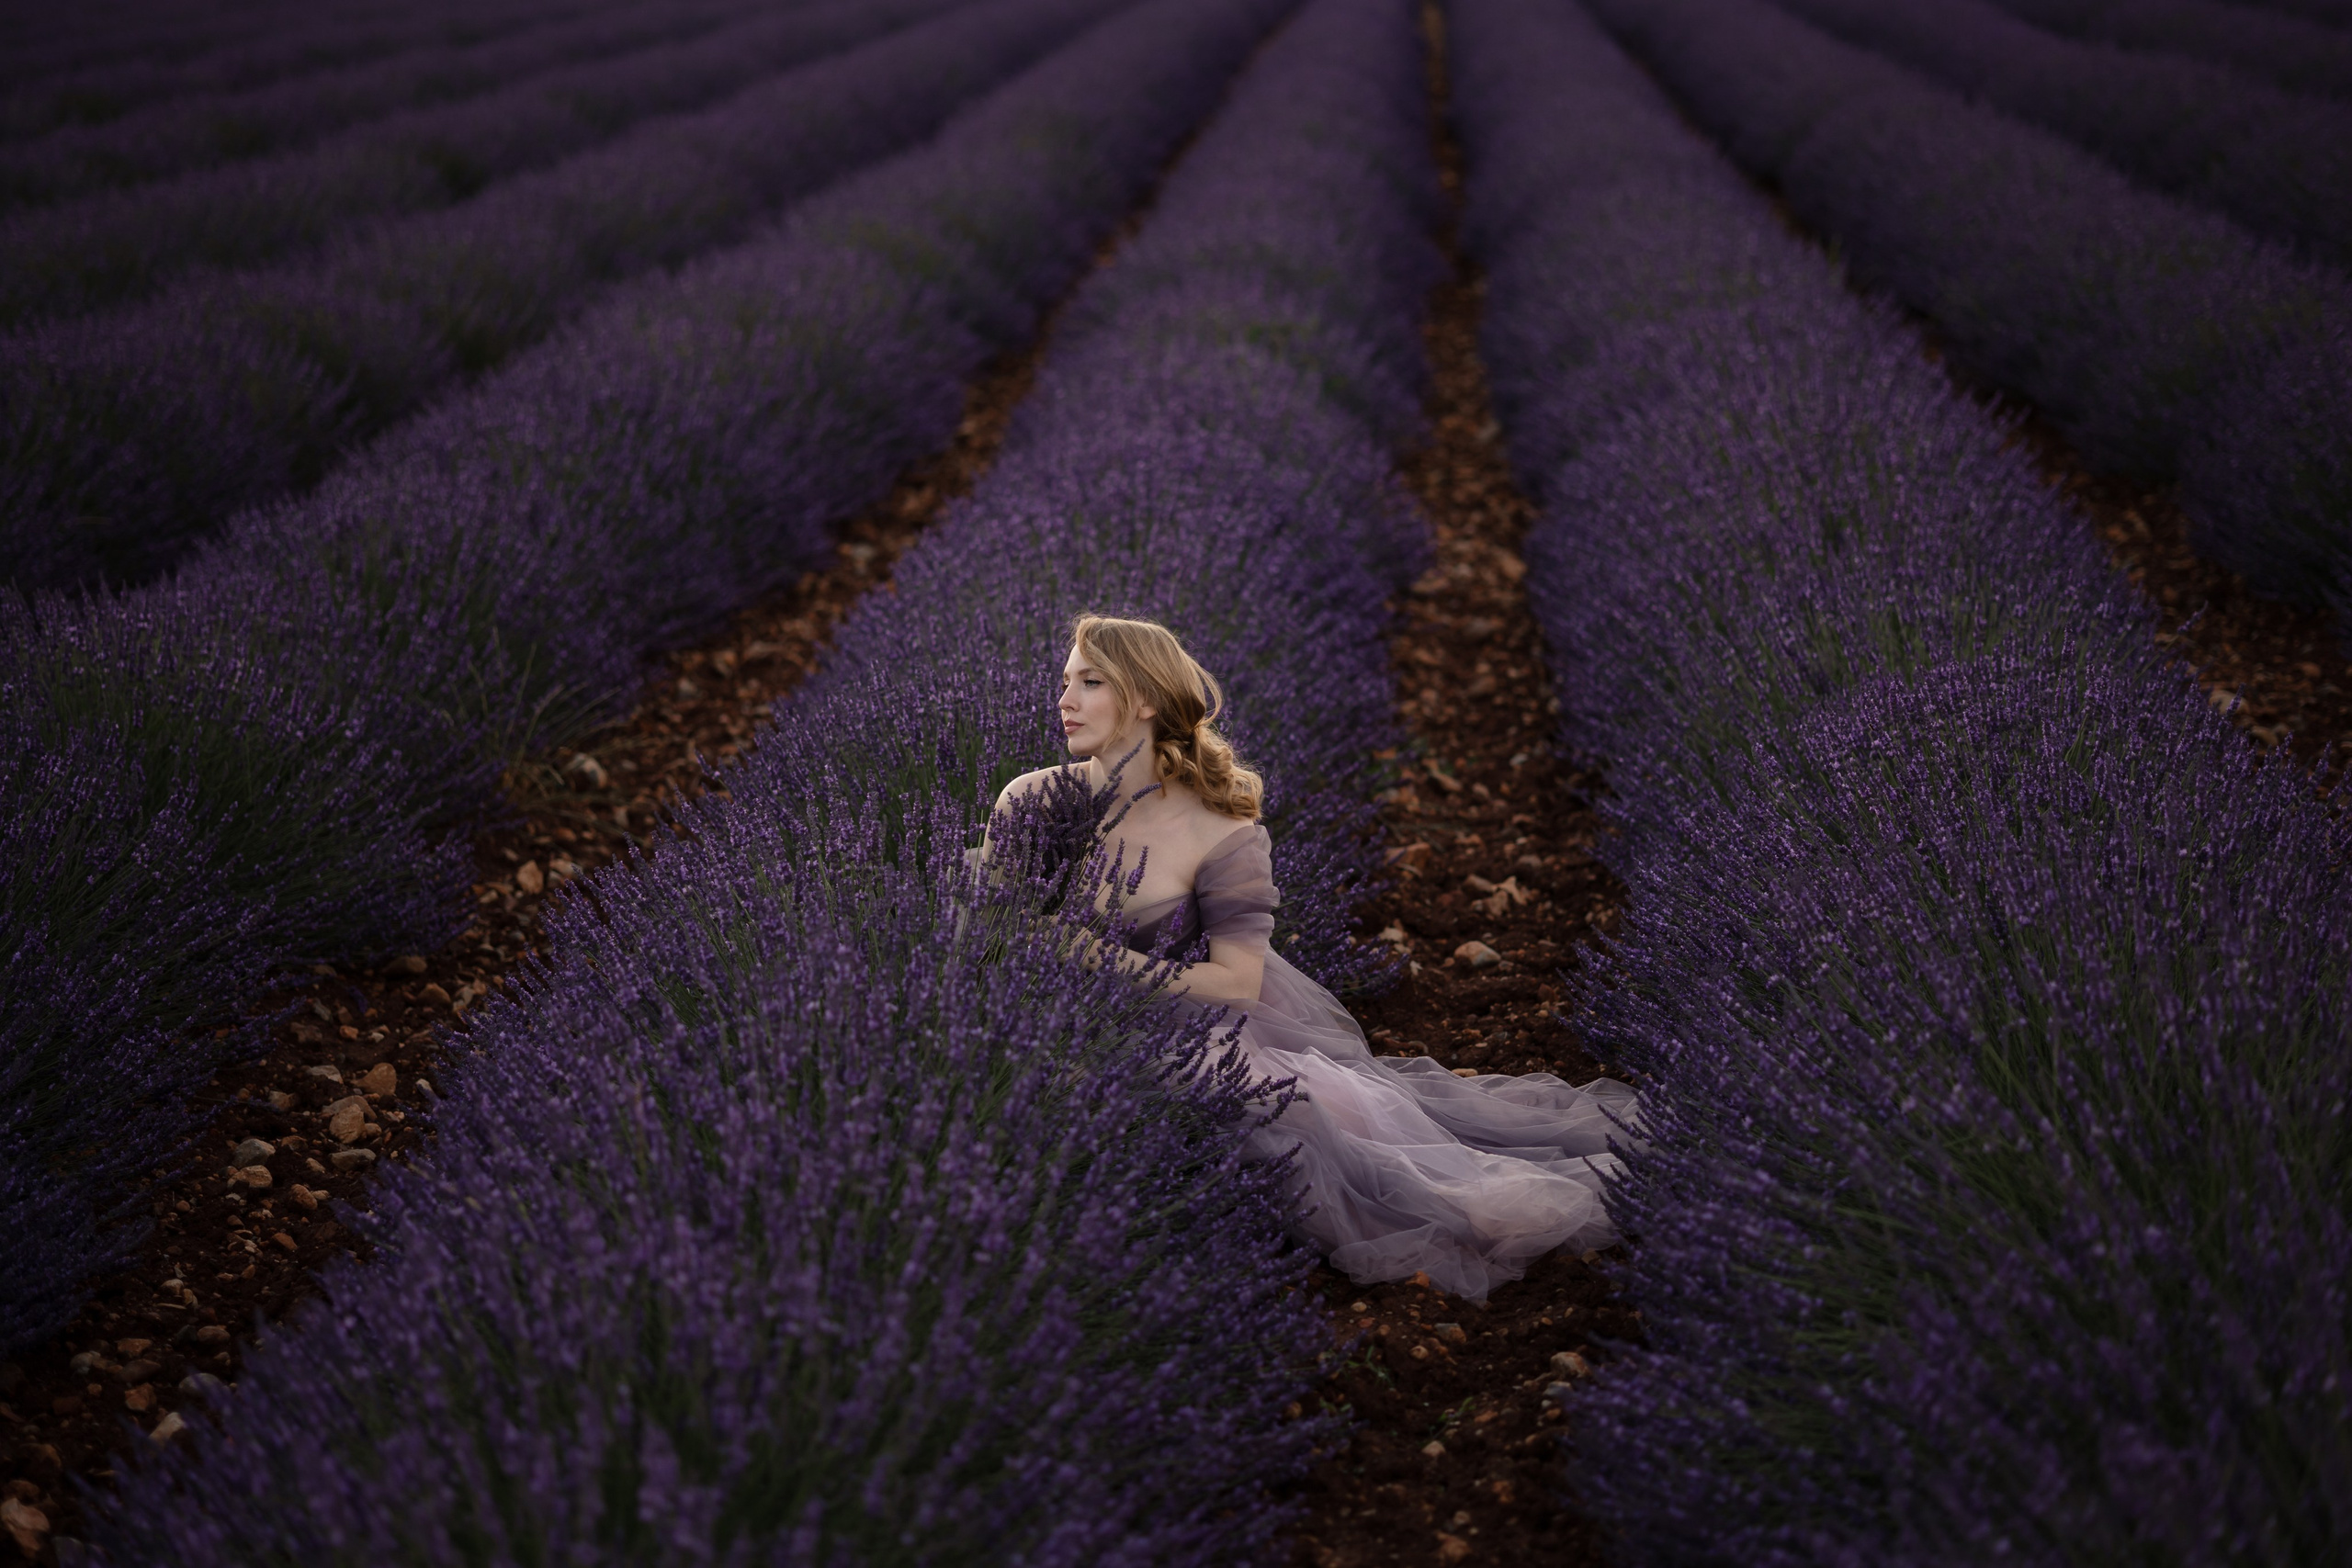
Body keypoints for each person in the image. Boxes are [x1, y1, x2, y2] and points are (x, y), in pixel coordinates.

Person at [988, 614, 1634, 1302]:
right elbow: (988, 938)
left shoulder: (1217, 832)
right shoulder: (1029, 800)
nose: (1064, 699)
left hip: (1182, 1032)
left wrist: (1095, 957)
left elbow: (1238, 982)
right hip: (1039, 1025)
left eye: (1090, 682)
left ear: (1145, 698)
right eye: (1065, 681)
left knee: (1352, 1154)